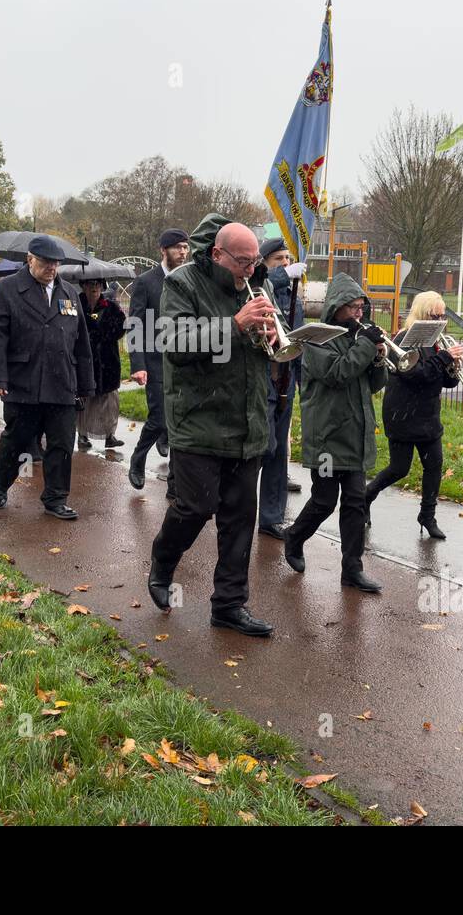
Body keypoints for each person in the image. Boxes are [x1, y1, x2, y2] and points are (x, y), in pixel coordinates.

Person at [146, 215, 279, 637]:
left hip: (248, 421)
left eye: (255, 261)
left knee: (240, 518)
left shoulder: (260, 284)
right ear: (217, 254)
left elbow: (264, 348)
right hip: (198, 420)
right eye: (242, 262)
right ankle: (163, 562)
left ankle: (229, 605)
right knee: (196, 507)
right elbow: (173, 343)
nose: (250, 270)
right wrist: (236, 324)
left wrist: (274, 336)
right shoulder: (182, 284)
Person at [283, 273, 389, 592]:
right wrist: (367, 348)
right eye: (353, 307)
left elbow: (373, 385)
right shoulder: (317, 339)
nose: (359, 313)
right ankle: (294, 536)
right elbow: (337, 373)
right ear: (336, 308)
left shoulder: (359, 340)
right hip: (327, 439)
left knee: (355, 502)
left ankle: (352, 569)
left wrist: (379, 360)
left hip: (354, 436)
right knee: (325, 500)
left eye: (361, 307)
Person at [0, 235, 95, 519]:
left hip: (62, 383)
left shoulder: (69, 292)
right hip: (24, 382)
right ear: (30, 259)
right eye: (46, 262)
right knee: (17, 440)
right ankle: (1, 484)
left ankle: (56, 499)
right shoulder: (8, 289)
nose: (52, 268)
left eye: (56, 263)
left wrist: (85, 383)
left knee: (61, 444)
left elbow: (81, 343)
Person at [363, 291, 462, 540]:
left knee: (434, 466)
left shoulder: (436, 341)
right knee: (399, 468)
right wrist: (443, 359)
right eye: (434, 315)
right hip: (403, 414)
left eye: (443, 315)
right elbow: (416, 375)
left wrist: (452, 368)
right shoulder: (404, 340)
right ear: (421, 314)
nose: (440, 320)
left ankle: (427, 516)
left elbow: (445, 381)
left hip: (428, 414)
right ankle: (366, 496)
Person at [126, 228, 188, 492]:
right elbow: (135, 324)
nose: (183, 253)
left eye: (186, 247)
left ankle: (175, 485)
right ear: (163, 250)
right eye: (177, 248)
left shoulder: (189, 279)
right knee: (160, 419)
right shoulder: (146, 282)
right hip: (155, 361)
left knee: (182, 422)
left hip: (185, 360)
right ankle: (138, 460)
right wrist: (138, 365)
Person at [255, 236, 307, 539]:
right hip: (263, 381)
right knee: (264, 447)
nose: (286, 264)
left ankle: (272, 517)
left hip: (285, 382)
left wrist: (301, 383)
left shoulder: (294, 297)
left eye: (288, 259)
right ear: (264, 263)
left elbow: (297, 342)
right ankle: (234, 503)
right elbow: (261, 283)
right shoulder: (262, 289)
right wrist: (280, 276)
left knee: (277, 457)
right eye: (279, 260)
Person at [77, 278, 127, 449]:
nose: (95, 287)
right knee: (85, 398)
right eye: (90, 284)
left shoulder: (111, 307)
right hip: (84, 359)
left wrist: (103, 333)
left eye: (98, 284)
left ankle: (109, 435)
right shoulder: (75, 305)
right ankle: (82, 435)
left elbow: (121, 327)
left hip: (107, 361)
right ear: (83, 286)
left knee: (109, 401)